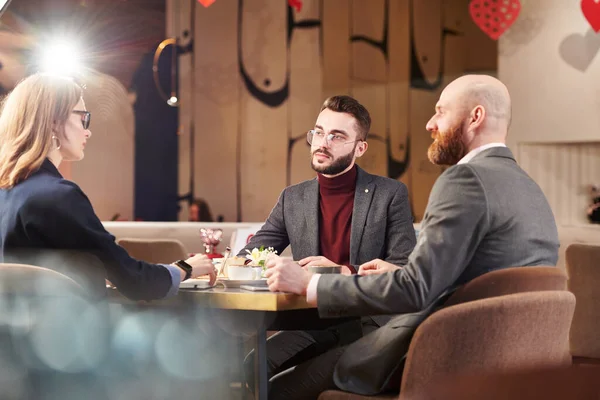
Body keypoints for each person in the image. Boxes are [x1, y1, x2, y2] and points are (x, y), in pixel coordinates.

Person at [263, 75, 560, 399]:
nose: (431, 124)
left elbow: (416, 290)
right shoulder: (529, 187)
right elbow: (473, 277)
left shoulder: (464, 180)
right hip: (500, 357)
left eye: (441, 112)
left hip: (435, 353)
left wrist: (310, 284)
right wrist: (404, 272)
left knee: (278, 390)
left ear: (475, 117)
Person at [239, 95, 417, 393]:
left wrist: (341, 271)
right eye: (319, 132)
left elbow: (402, 268)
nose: (323, 142)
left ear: (360, 147)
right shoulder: (292, 198)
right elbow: (254, 253)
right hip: (315, 319)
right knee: (252, 366)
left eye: (337, 136)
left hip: (367, 321)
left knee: (285, 389)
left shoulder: (390, 194)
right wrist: (256, 264)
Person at [0, 73, 216, 300]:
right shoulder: (58, 197)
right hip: (69, 333)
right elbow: (135, 280)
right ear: (53, 122)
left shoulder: (8, 194)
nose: (88, 131)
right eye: (83, 117)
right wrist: (186, 267)